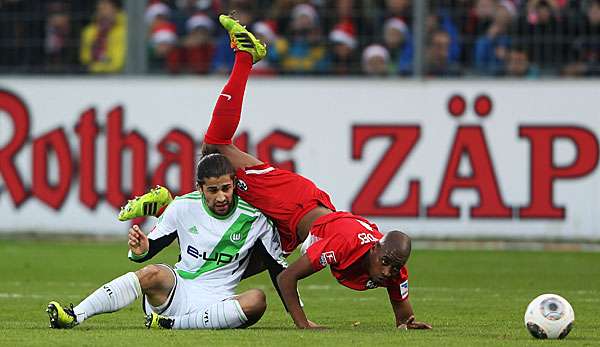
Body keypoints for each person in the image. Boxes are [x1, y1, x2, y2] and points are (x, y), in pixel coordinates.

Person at [120, 14, 431, 330]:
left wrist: (406, 321)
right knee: (215, 147)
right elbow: (287, 278)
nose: (389, 272)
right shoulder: (343, 244)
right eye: (388, 264)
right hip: (292, 202)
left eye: (394, 267)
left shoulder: (390, 260)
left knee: (226, 267)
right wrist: (303, 325)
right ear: (376, 248)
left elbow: (399, 294)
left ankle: (166, 211)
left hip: (291, 229)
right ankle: (245, 56)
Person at [47, 153, 286, 330]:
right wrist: (141, 249)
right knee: (152, 273)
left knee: (257, 299)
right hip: (178, 290)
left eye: (226, 188)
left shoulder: (255, 218)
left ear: (234, 183)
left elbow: (278, 270)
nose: (221, 196)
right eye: (213, 190)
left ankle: (172, 324)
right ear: (200, 188)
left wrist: (300, 319)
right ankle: (75, 314)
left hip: (218, 302)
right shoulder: (183, 206)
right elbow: (149, 250)